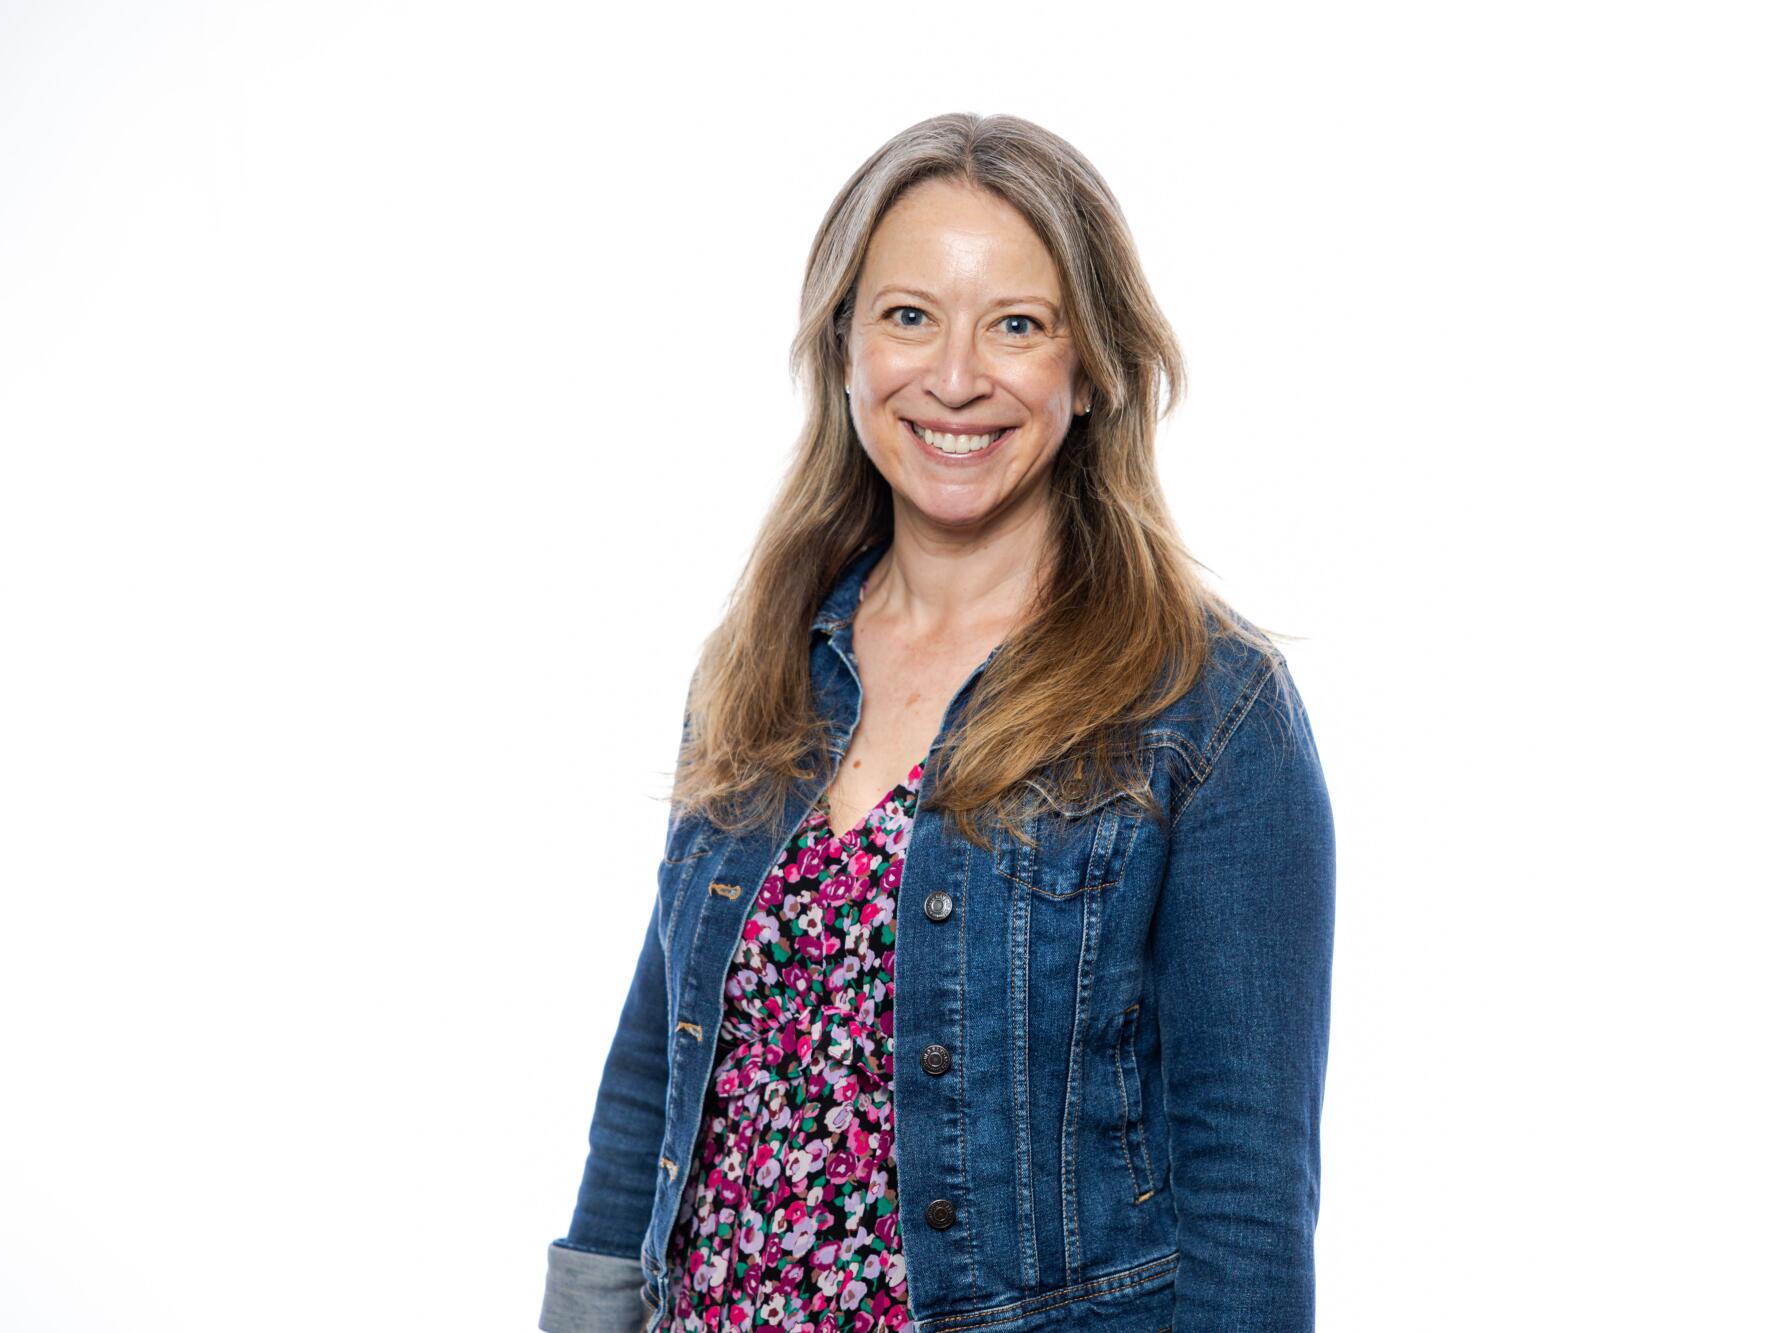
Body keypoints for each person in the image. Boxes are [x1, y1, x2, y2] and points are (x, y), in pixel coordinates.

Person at [539, 111, 1335, 1333]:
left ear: (1091, 370)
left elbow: (1245, 1191)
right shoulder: (759, 664)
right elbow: (661, 1063)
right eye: (908, 315)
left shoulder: (1207, 710)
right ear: (844, 348)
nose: (954, 376)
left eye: (1016, 325)